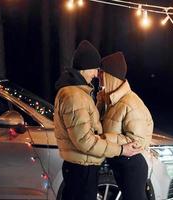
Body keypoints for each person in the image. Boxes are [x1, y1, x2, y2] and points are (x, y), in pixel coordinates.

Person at [54, 41, 141, 200]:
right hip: (82, 169)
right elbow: (85, 141)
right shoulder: (74, 96)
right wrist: (121, 150)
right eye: (95, 69)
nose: (96, 74)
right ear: (86, 68)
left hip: (82, 167)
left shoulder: (78, 93)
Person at [98, 52, 154, 200]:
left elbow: (138, 141)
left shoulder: (131, 103)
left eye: (101, 73)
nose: (98, 77)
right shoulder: (110, 101)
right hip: (120, 164)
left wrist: (105, 138)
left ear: (110, 75)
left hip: (132, 167)